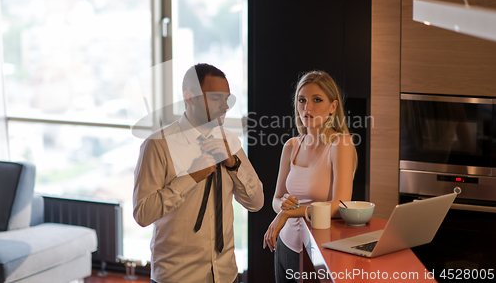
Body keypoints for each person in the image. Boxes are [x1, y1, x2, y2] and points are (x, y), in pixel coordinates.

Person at [133, 63, 264, 283]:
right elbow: (143, 214)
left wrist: (233, 164)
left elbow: (256, 202)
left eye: (227, 99)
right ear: (190, 98)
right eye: (216, 99)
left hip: (225, 273)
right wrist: (191, 177)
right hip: (178, 277)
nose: (225, 106)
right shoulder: (158, 145)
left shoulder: (229, 141)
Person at [263, 70, 357, 283]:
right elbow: (276, 200)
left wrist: (288, 213)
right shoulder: (291, 146)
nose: (308, 108)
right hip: (284, 245)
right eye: (302, 100)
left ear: (333, 106)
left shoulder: (340, 144)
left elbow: (341, 204)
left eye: (317, 100)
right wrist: (283, 208)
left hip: (317, 250)